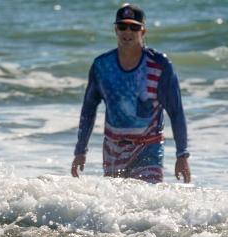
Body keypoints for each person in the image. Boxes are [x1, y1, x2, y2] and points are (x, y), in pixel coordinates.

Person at [71, 3, 191, 184]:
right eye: (123, 26)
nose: (128, 31)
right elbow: (88, 110)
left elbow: (176, 112)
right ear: (115, 30)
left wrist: (182, 155)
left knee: (146, 202)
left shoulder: (160, 65)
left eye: (134, 27)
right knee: (116, 207)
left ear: (143, 31)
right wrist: (80, 151)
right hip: (113, 149)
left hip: (148, 147)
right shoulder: (101, 66)